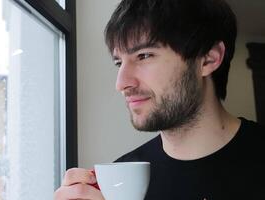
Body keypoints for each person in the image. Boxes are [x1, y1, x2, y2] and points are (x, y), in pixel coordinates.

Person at [54, 0, 265, 199]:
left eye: (144, 56)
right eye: (119, 63)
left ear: (209, 58)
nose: (121, 83)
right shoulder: (120, 182)